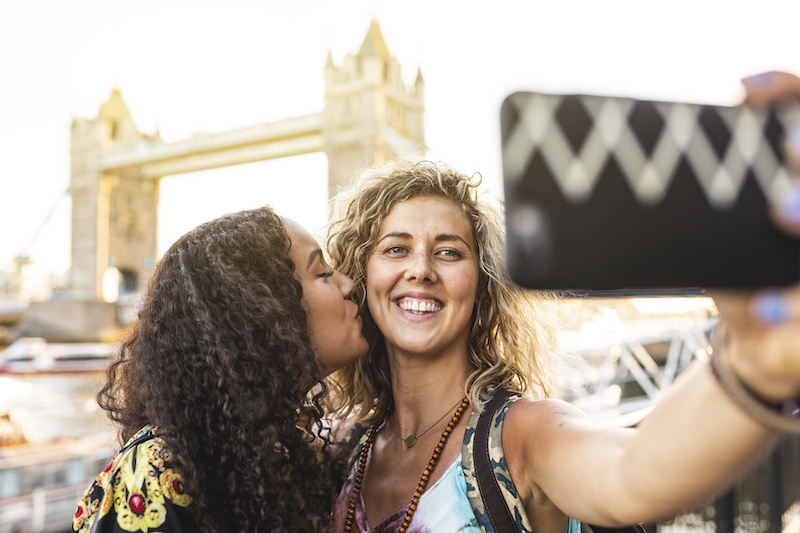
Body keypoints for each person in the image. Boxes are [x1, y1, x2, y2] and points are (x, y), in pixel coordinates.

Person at [325, 152, 800, 532]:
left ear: (484, 285)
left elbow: (630, 471)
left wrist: (757, 359)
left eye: (449, 252)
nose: (422, 269)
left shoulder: (520, 436)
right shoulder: (346, 450)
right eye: (396, 249)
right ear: (362, 277)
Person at [72, 206, 369, 533]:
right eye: (323, 273)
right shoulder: (158, 471)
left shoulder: (299, 453)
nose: (348, 284)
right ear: (262, 315)